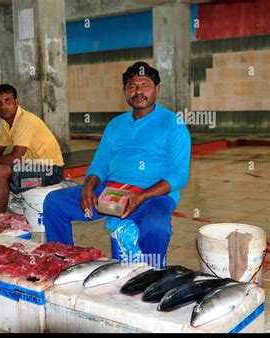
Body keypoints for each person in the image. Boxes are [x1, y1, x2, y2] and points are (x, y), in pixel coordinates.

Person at [43, 61, 191, 267]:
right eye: (132, 86)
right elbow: (100, 164)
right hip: (112, 190)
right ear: (124, 91)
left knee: (156, 226)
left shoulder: (172, 124)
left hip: (153, 195)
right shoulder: (116, 124)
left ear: (157, 89)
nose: (138, 91)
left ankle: (152, 275)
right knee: (54, 202)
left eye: (145, 85)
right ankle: (63, 262)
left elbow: (178, 175)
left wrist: (141, 196)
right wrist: (88, 187)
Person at [0, 84, 65, 213]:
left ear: (16, 102)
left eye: (7, 101)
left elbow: (15, 158)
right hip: (31, 166)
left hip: (51, 170)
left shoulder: (24, 121)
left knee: (2, 170)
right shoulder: (7, 122)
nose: (3, 106)